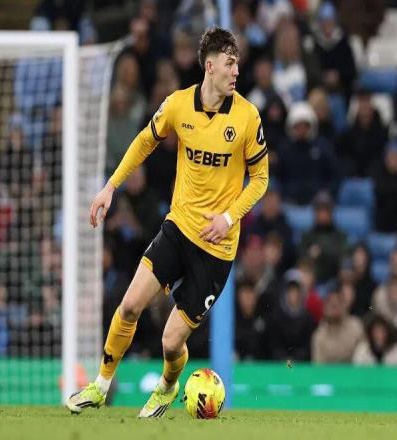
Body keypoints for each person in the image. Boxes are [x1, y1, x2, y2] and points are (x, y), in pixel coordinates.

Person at [66, 27, 269, 418]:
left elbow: (261, 179)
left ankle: (166, 387)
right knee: (129, 306)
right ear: (210, 67)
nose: (236, 71)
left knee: (171, 342)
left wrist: (229, 218)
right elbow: (145, 140)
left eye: (237, 64)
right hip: (178, 229)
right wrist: (110, 187)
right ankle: (100, 386)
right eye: (229, 64)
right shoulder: (178, 105)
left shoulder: (247, 116)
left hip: (217, 248)